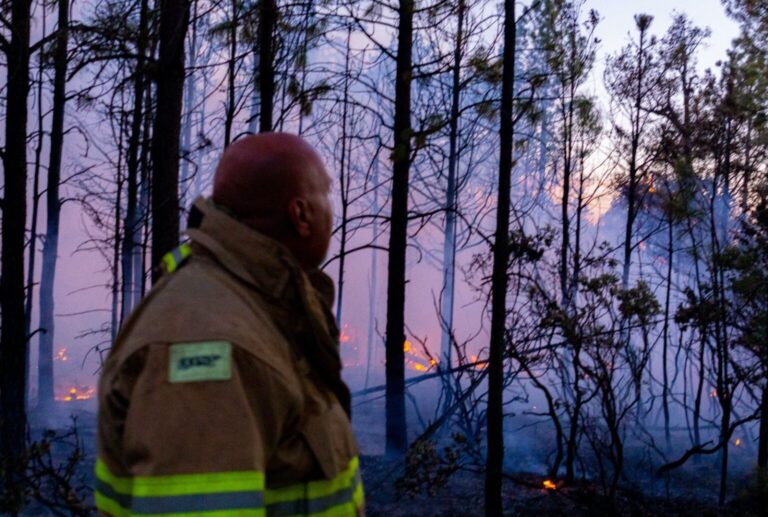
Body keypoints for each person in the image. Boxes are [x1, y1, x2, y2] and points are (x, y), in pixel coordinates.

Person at [95, 133, 364, 516]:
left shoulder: (257, 308)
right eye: (326, 194)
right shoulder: (208, 343)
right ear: (300, 214)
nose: (332, 211)